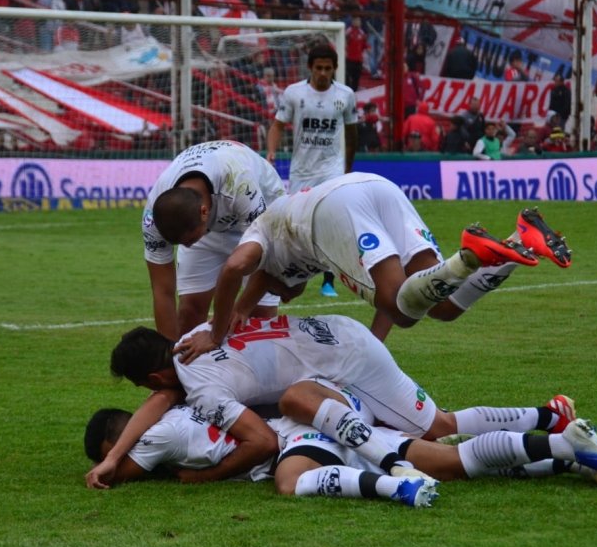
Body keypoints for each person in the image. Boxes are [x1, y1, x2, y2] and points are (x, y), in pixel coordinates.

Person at [87, 315, 597, 489]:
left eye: (149, 386)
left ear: (156, 374)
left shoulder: (200, 385)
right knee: (435, 437)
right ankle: (550, 421)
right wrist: (116, 458)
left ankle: (388, 467)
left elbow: (259, 440)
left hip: (345, 367)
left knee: (435, 432)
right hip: (336, 339)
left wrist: (201, 479)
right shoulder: (202, 330)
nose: (156, 396)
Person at [174, 173, 570, 346]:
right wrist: (374, 349)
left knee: (403, 307)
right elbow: (265, 284)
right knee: (443, 306)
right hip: (376, 187)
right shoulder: (283, 259)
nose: (288, 298)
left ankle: (469, 254)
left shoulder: (260, 236)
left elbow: (234, 267)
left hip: (332, 210)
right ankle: (524, 239)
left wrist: (217, 331)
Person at [84, 390, 597, 501]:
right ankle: (558, 451)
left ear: (119, 437)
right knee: (442, 440)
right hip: (339, 392)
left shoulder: (155, 435)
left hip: (308, 424)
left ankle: (397, 487)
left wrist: (109, 466)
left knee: (289, 481)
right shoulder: (183, 397)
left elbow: (121, 473)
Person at [142, 140, 285, 342]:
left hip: (263, 215)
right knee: (190, 311)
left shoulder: (238, 182)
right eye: (180, 244)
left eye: (189, 240)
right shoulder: (153, 218)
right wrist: (169, 359)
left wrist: (235, 312)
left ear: (204, 212)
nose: (185, 246)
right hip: (208, 224)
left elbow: (264, 263)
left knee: (258, 317)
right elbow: (162, 291)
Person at [266, 43, 358, 298]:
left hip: (332, 169)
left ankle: (328, 280)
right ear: (310, 67)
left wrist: (347, 166)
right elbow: (277, 125)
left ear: (335, 69)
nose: (323, 73)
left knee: (331, 220)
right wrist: (271, 151)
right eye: (319, 68)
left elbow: (352, 134)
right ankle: (289, 276)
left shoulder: (346, 95)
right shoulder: (294, 93)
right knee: (293, 224)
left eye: (328, 68)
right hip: (302, 170)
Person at [345, 16, 368, 92]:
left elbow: (364, 44)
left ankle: (355, 90)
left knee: (357, 77)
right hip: (349, 58)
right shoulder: (348, 31)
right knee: (348, 76)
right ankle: (348, 90)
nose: (358, 23)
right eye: (357, 21)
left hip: (358, 59)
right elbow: (344, 42)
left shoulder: (362, 32)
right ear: (353, 22)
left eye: (359, 21)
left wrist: (368, 47)